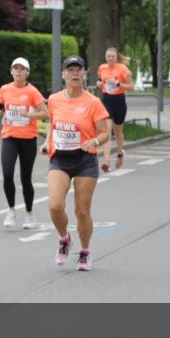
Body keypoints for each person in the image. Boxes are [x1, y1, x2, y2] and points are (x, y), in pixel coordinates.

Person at [42, 56, 111, 272]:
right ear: (63, 74)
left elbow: (105, 133)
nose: (74, 73)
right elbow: (54, 124)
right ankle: (64, 239)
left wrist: (95, 141)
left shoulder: (93, 102)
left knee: (81, 211)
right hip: (60, 159)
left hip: (84, 160)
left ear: (84, 74)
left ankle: (85, 251)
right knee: (54, 206)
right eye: (69, 70)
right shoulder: (54, 99)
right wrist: (46, 141)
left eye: (77, 70)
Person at [0, 57, 48, 229]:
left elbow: (45, 113)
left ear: (27, 73)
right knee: (7, 173)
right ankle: (11, 210)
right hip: (9, 137)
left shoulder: (32, 92)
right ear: (11, 71)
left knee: (25, 178)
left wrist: (28, 115)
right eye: (15, 68)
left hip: (28, 139)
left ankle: (30, 214)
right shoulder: (5, 89)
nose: (18, 71)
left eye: (22, 69)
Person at [95, 47, 133, 172]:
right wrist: (99, 84)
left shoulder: (123, 69)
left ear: (116, 58)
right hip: (106, 101)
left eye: (112, 56)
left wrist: (118, 84)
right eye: (108, 56)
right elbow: (100, 80)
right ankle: (106, 162)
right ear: (105, 57)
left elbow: (132, 87)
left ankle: (120, 154)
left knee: (118, 132)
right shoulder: (102, 68)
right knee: (107, 131)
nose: (110, 58)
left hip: (119, 101)